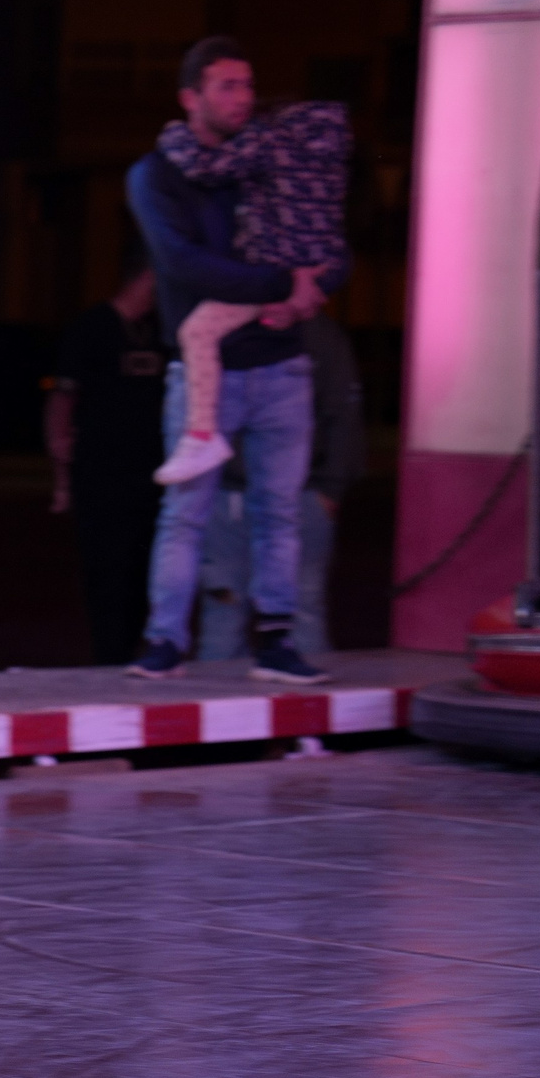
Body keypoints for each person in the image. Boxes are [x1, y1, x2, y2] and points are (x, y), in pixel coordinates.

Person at [125, 35, 345, 685]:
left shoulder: (269, 158)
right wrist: (286, 285)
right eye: (227, 86)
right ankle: (164, 641)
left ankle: (276, 640)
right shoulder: (157, 175)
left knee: (278, 511)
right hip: (205, 370)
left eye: (249, 85)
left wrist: (312, 290)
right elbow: (184, 265)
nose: (243, 98)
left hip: (283, 366)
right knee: (185, 512)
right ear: (191, 97)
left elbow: (329, 241)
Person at [151, 99, 348, 486]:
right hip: (312, 268)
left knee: (196, 332)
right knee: (280, 514)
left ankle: (201, 435)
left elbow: (205, 166)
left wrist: (174, 135)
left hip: (271, 271)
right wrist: (304, 291)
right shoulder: (331, 157)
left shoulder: (271, 140)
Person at [190, 312, 368, 662]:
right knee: (275, 611)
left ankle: (255, 708)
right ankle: (292, 706)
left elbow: (343, 413)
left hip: (273, 492)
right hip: (245, 491)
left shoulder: (313, 332)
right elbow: (343, 412)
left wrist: (328, 491)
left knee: (243, 612)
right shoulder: (228, 321)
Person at [46, 246, 169, 665]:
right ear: (147, 277)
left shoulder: (162, 331)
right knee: (106, 570)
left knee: (144, 571)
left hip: (151, 477)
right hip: (101, 476)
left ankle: (135, 650)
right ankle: (108, 656)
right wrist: (62, 477)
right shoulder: (92, 328)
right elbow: (63, 401)